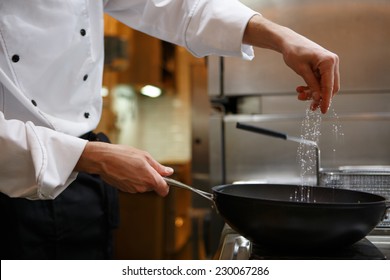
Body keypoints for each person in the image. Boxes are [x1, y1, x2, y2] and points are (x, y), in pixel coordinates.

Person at [0, 0, 339, 259]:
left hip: (82, 182)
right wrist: (89, 157)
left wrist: (282, 36)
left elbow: (174, 5)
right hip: (14, 186)